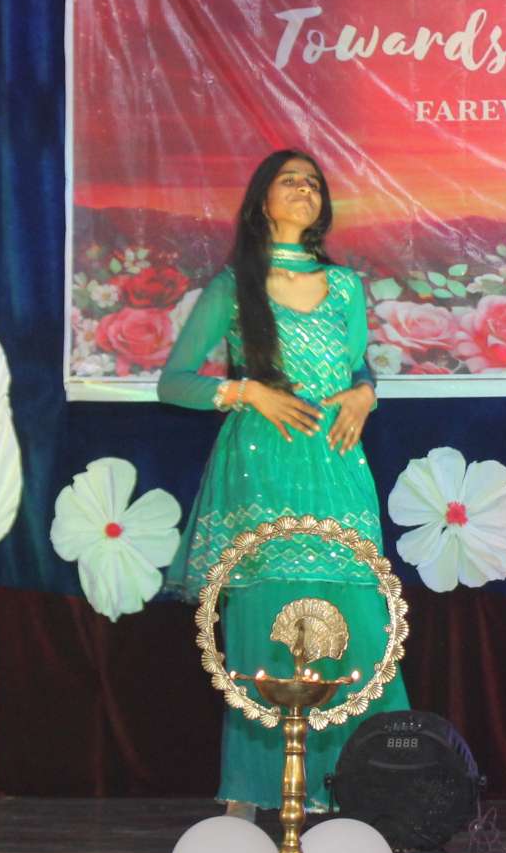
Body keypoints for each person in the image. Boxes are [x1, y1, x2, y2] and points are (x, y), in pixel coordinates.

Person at [159, 149, 408, 815]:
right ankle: (248, 800)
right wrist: (248, 392)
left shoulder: (346, 286)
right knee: (266, 624)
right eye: (289, 180)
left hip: (337, 463)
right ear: (261, 201)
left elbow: (358, 370)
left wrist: (366, 394)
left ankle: (368, 794)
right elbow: (173, 383)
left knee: (358, 617)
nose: (304, 189)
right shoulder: (232, 285)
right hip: (262, 465)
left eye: (313, 183)